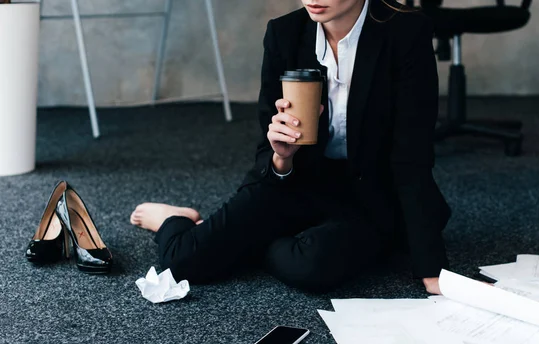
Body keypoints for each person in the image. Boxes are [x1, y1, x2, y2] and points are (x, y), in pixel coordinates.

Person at [130, 0, 451, 294]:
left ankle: (254, 244)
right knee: (183, 261)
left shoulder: (406, 32)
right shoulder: (285, 33)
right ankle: (174, 217)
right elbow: (265, 149)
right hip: (295, 181)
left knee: (313, 266)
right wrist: (282, 157)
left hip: (368, 195)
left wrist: (431, 270)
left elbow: (412, 157)